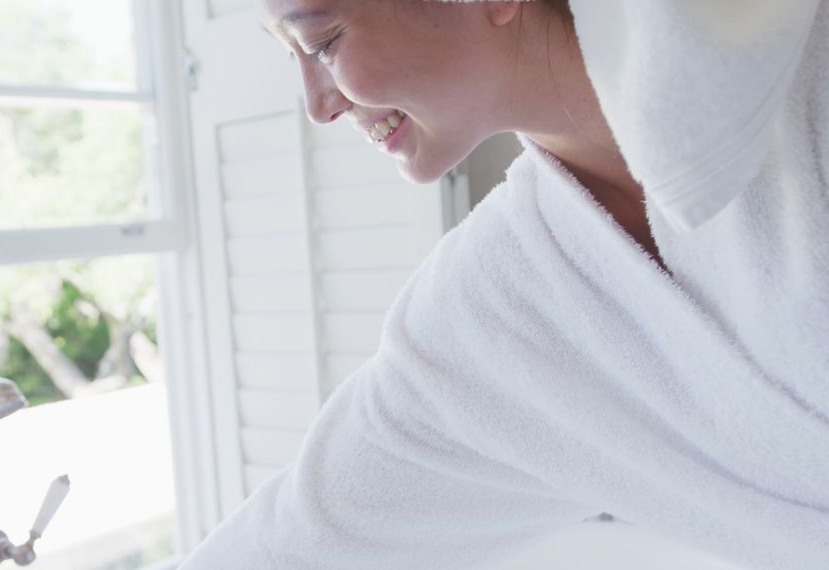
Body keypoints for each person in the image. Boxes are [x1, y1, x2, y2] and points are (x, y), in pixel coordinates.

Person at [181, 0, 829, 568]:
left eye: (322, 42)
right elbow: (300, 540)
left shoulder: (798, 66)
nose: (318, 105)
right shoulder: (494, 313)